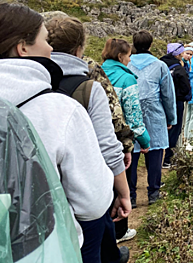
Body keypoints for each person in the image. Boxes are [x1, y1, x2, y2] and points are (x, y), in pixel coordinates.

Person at [0, 3, 126, 263]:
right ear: (22, 47)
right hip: (39, 245)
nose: (50, 49)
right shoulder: (57, 109)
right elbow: (92, 202)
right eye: (45, 40)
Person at [46, 17, 136, 245]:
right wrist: (123, 193)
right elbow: (109, 140)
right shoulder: (89, 83)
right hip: (84, 190)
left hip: (39, 194)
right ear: (79, 48)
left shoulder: (29, 78)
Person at [81, 56, 136, 243]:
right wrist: (127, 144)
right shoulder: (91, 70)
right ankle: (115, 236)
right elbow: (115, 116)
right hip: (92, 159)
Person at [128, 31, 177, 205]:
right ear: (150, 45)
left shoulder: (127, 64)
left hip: (130, 114)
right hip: (154, 113)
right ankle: (153, 193)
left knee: (131, 155)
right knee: (156, 153)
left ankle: (130, 196)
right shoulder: (160, 65)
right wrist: (171, 118)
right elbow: (168, 95)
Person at [101, 38, 151, 209]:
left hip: (96, 137)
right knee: (121, 183)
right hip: (119, 139)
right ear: (121, 56)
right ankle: (121, 228)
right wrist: (144, 140)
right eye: (129, 56)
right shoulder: (127, 79)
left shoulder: (95, 73)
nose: (130, 59)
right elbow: (133, 115)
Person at [160, 43, 191, 168]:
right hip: (176, 102)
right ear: (178, 54)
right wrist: (184, 96)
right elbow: (185, 87)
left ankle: (156, 158)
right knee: (174, 129)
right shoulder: (178, 69)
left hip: (159, 100)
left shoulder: (160, 64)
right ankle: (168, 159)